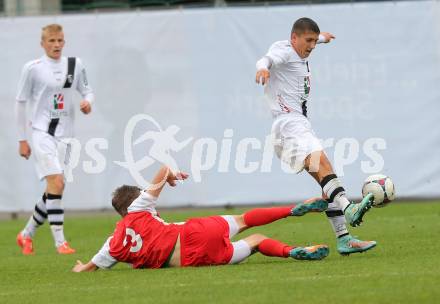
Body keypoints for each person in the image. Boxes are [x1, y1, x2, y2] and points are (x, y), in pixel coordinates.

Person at [255, 17, 376, 255]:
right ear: (294, 38)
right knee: (325, 165)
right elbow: (267, 59)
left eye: (314, 41)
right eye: (308, 41)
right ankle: (349, 208)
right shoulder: (284, 50)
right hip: (289, 124)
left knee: (326, 180)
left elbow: (313, 39)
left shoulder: (303, 47)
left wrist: (323, 38)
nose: (311, 46)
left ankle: (344, 239)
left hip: (294, 125)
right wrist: (262, 68)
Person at [72, 166, 330, 272]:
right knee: (243, 220)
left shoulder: (113, 243)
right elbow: (162, 169)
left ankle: (295, 250)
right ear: (136, 198)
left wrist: (81, 267)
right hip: (192, 233)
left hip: (191, 260)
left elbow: (92, 266)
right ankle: (293, 209)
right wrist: (171, 176)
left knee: (257, 241)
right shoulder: (139, 207)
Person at [15, 24, 94, 255]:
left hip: (67, 136)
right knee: (57, 183)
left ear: (64, 42)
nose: (56, 45)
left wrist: (88, 102)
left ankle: (26, 234)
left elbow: (88, 91)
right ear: (43, 43)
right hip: (41, 133)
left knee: (55, 188)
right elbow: (20, 102)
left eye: (59, 40)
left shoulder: (74, 65)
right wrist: (22, 139)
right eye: (51, 41)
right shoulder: (33, 68)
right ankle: (61, 243)